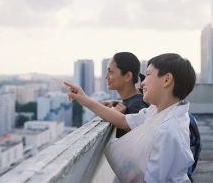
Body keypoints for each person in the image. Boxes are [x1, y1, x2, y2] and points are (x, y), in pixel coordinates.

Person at [64, 53, 195, 182]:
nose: (142, 82)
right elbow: (123, 120)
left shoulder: (167, 130)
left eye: (148, 74)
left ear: (167, 80)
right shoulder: (156, 111)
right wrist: (84, 99)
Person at [100, 52, 149, 138]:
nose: (106, 76)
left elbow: (138, 143)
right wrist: (117, 102)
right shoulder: (136, 98)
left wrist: (120, 118)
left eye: (110, 72)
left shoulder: (137, 106)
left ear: (127, 76)